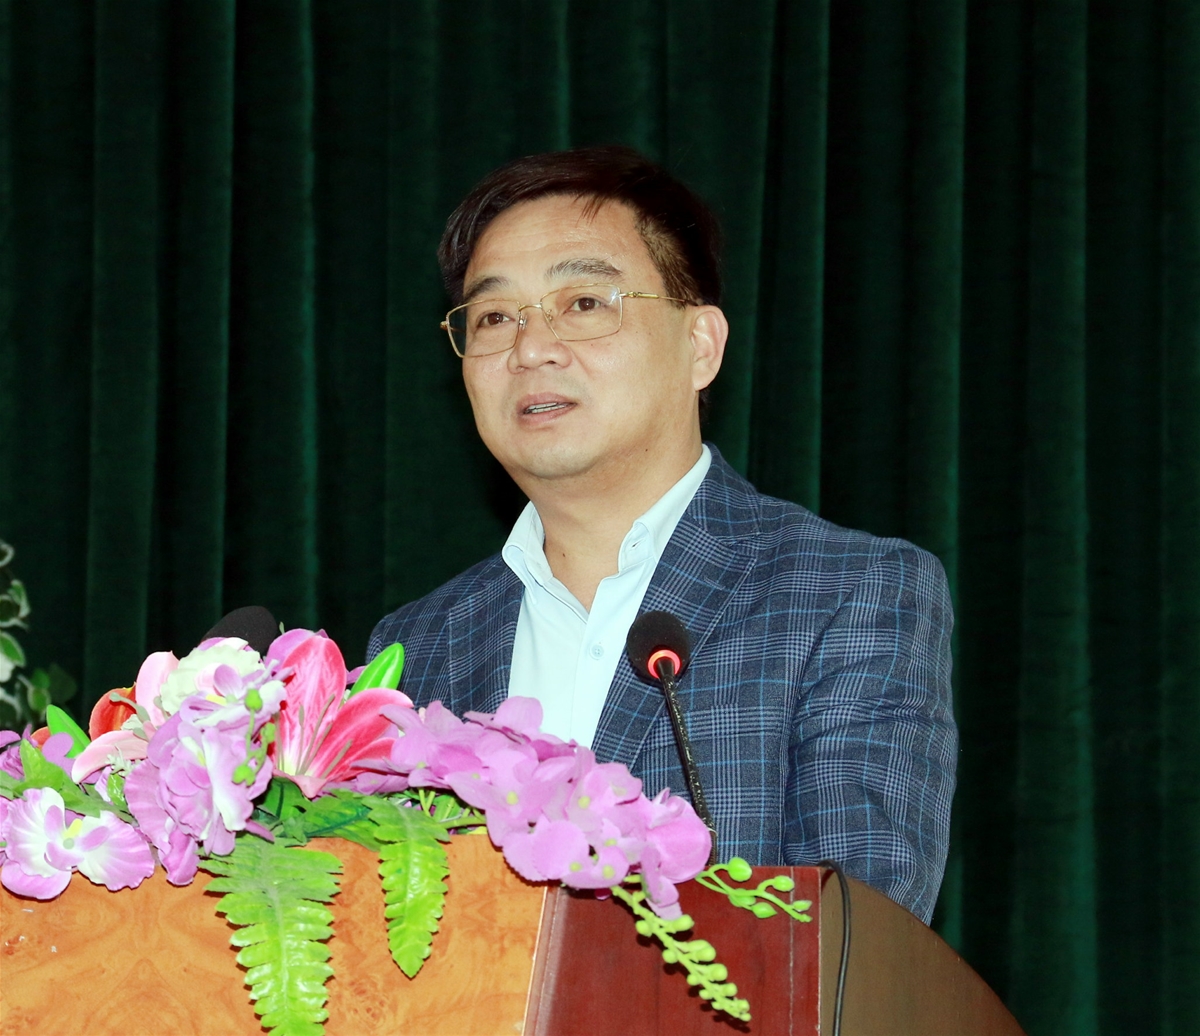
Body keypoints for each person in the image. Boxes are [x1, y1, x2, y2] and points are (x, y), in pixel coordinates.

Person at [368, 145, 956, 923]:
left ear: (700, 345)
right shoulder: (418, 643)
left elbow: (856, 938)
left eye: (584, 302)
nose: (531, 347)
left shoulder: (847, 593)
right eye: (494, 317)